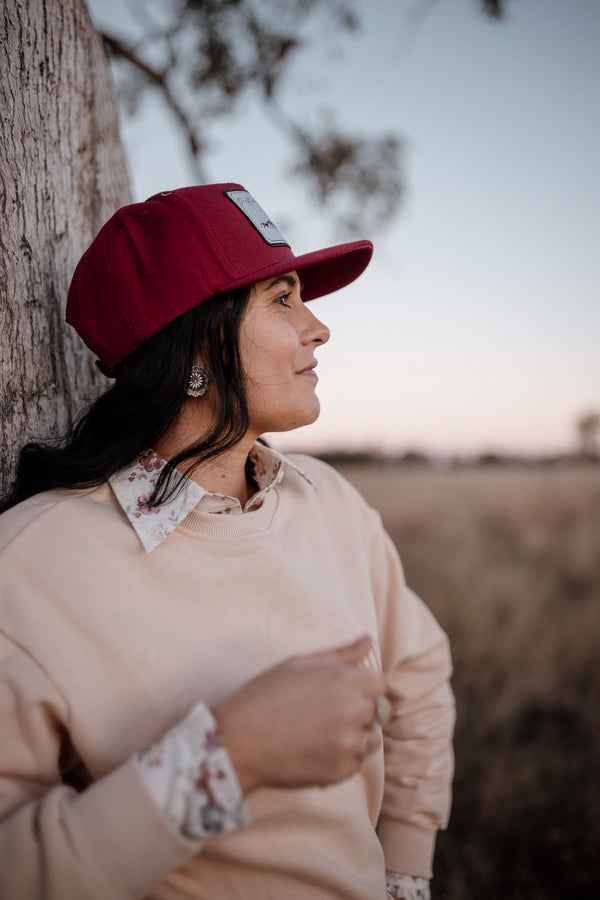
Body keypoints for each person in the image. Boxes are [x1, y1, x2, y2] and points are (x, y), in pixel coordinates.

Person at [0, 183, 454, 900]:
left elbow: (419, 672)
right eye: (282, 299)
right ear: (195, 342)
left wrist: (404, 869)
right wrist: (227, 760)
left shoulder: (327, 501)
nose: (318, 328)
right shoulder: (31, 567)